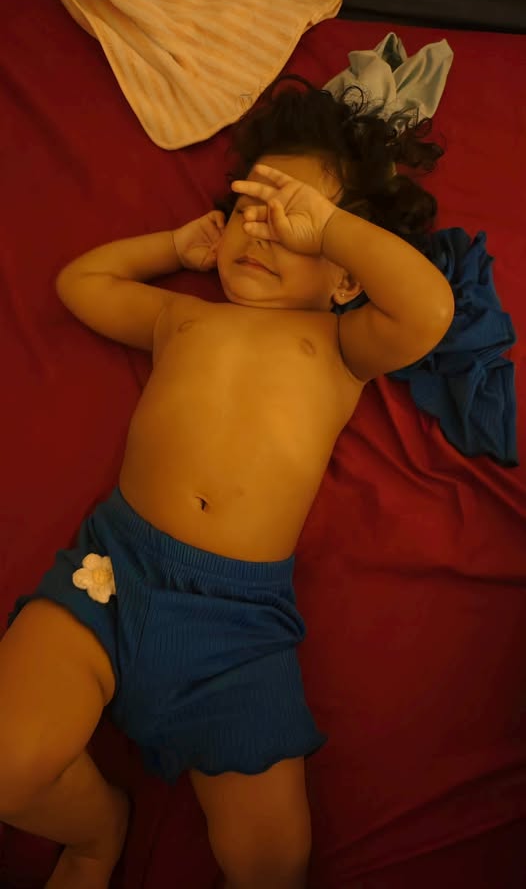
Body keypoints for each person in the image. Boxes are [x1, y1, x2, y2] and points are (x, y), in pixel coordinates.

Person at [0, 77, 454, 889]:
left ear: (346, 275)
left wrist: (334, 228)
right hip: (112, 573)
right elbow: (81, 285)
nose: (264, 229)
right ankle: (98, 832)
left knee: (272, 862)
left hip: (236, 628)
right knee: (8, 762)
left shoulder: (342, 347)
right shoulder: (184, 318)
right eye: (253, 207)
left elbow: (429, 310)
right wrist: (174, 249)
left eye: (293, 220)